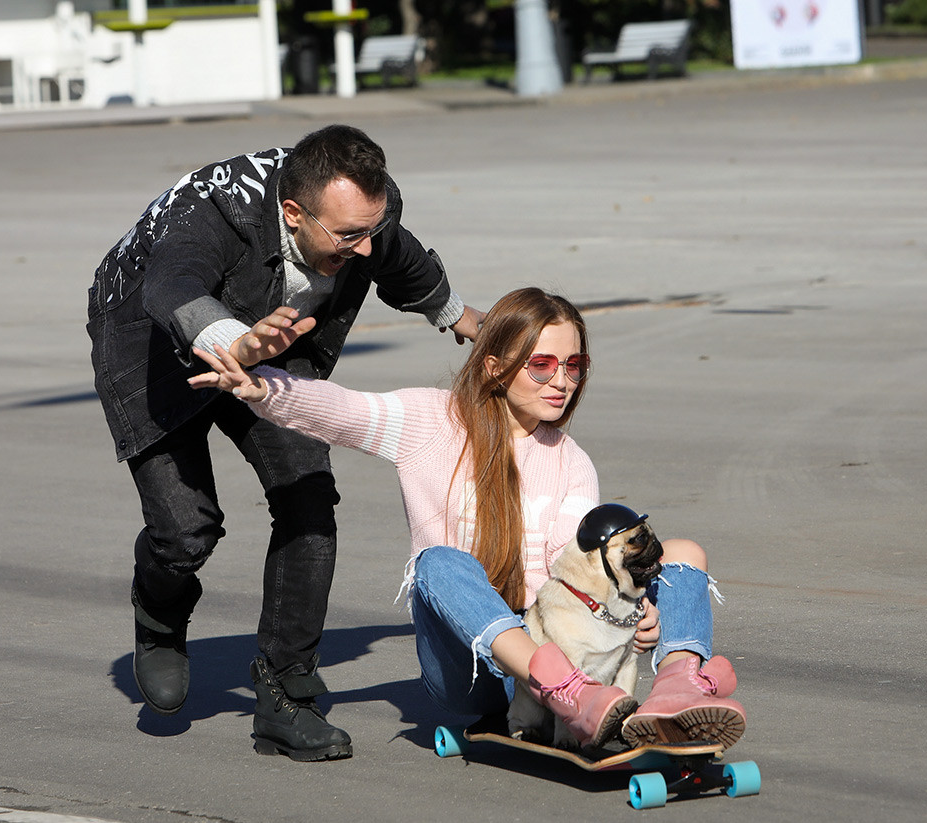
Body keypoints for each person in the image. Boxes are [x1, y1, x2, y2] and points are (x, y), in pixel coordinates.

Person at [189, 287, 747, 752]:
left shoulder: (572, 463)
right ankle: (565, 691)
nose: (562, 381)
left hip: (559, 647)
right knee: (439, 564)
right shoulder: (433, 423)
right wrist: (262, 389)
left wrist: (632, 615)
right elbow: (344, 412)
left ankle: (675, 692)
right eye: (543, 364)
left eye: (574, 365)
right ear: (495, 365)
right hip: (475, 672)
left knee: (682, 553)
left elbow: (571, 576)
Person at [86, 124, 483, 762]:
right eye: (347, 235)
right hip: (150, 338)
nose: (362, 245)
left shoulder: (365, 216)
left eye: (369, 228)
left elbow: (398, 255)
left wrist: (457, 314)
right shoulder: (212, 215)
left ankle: (286, 696)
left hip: (272, 338)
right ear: (293, 213)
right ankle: (160, 614)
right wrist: (233, 344)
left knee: (307, 498)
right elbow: (169, 288)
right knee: (187, 529)